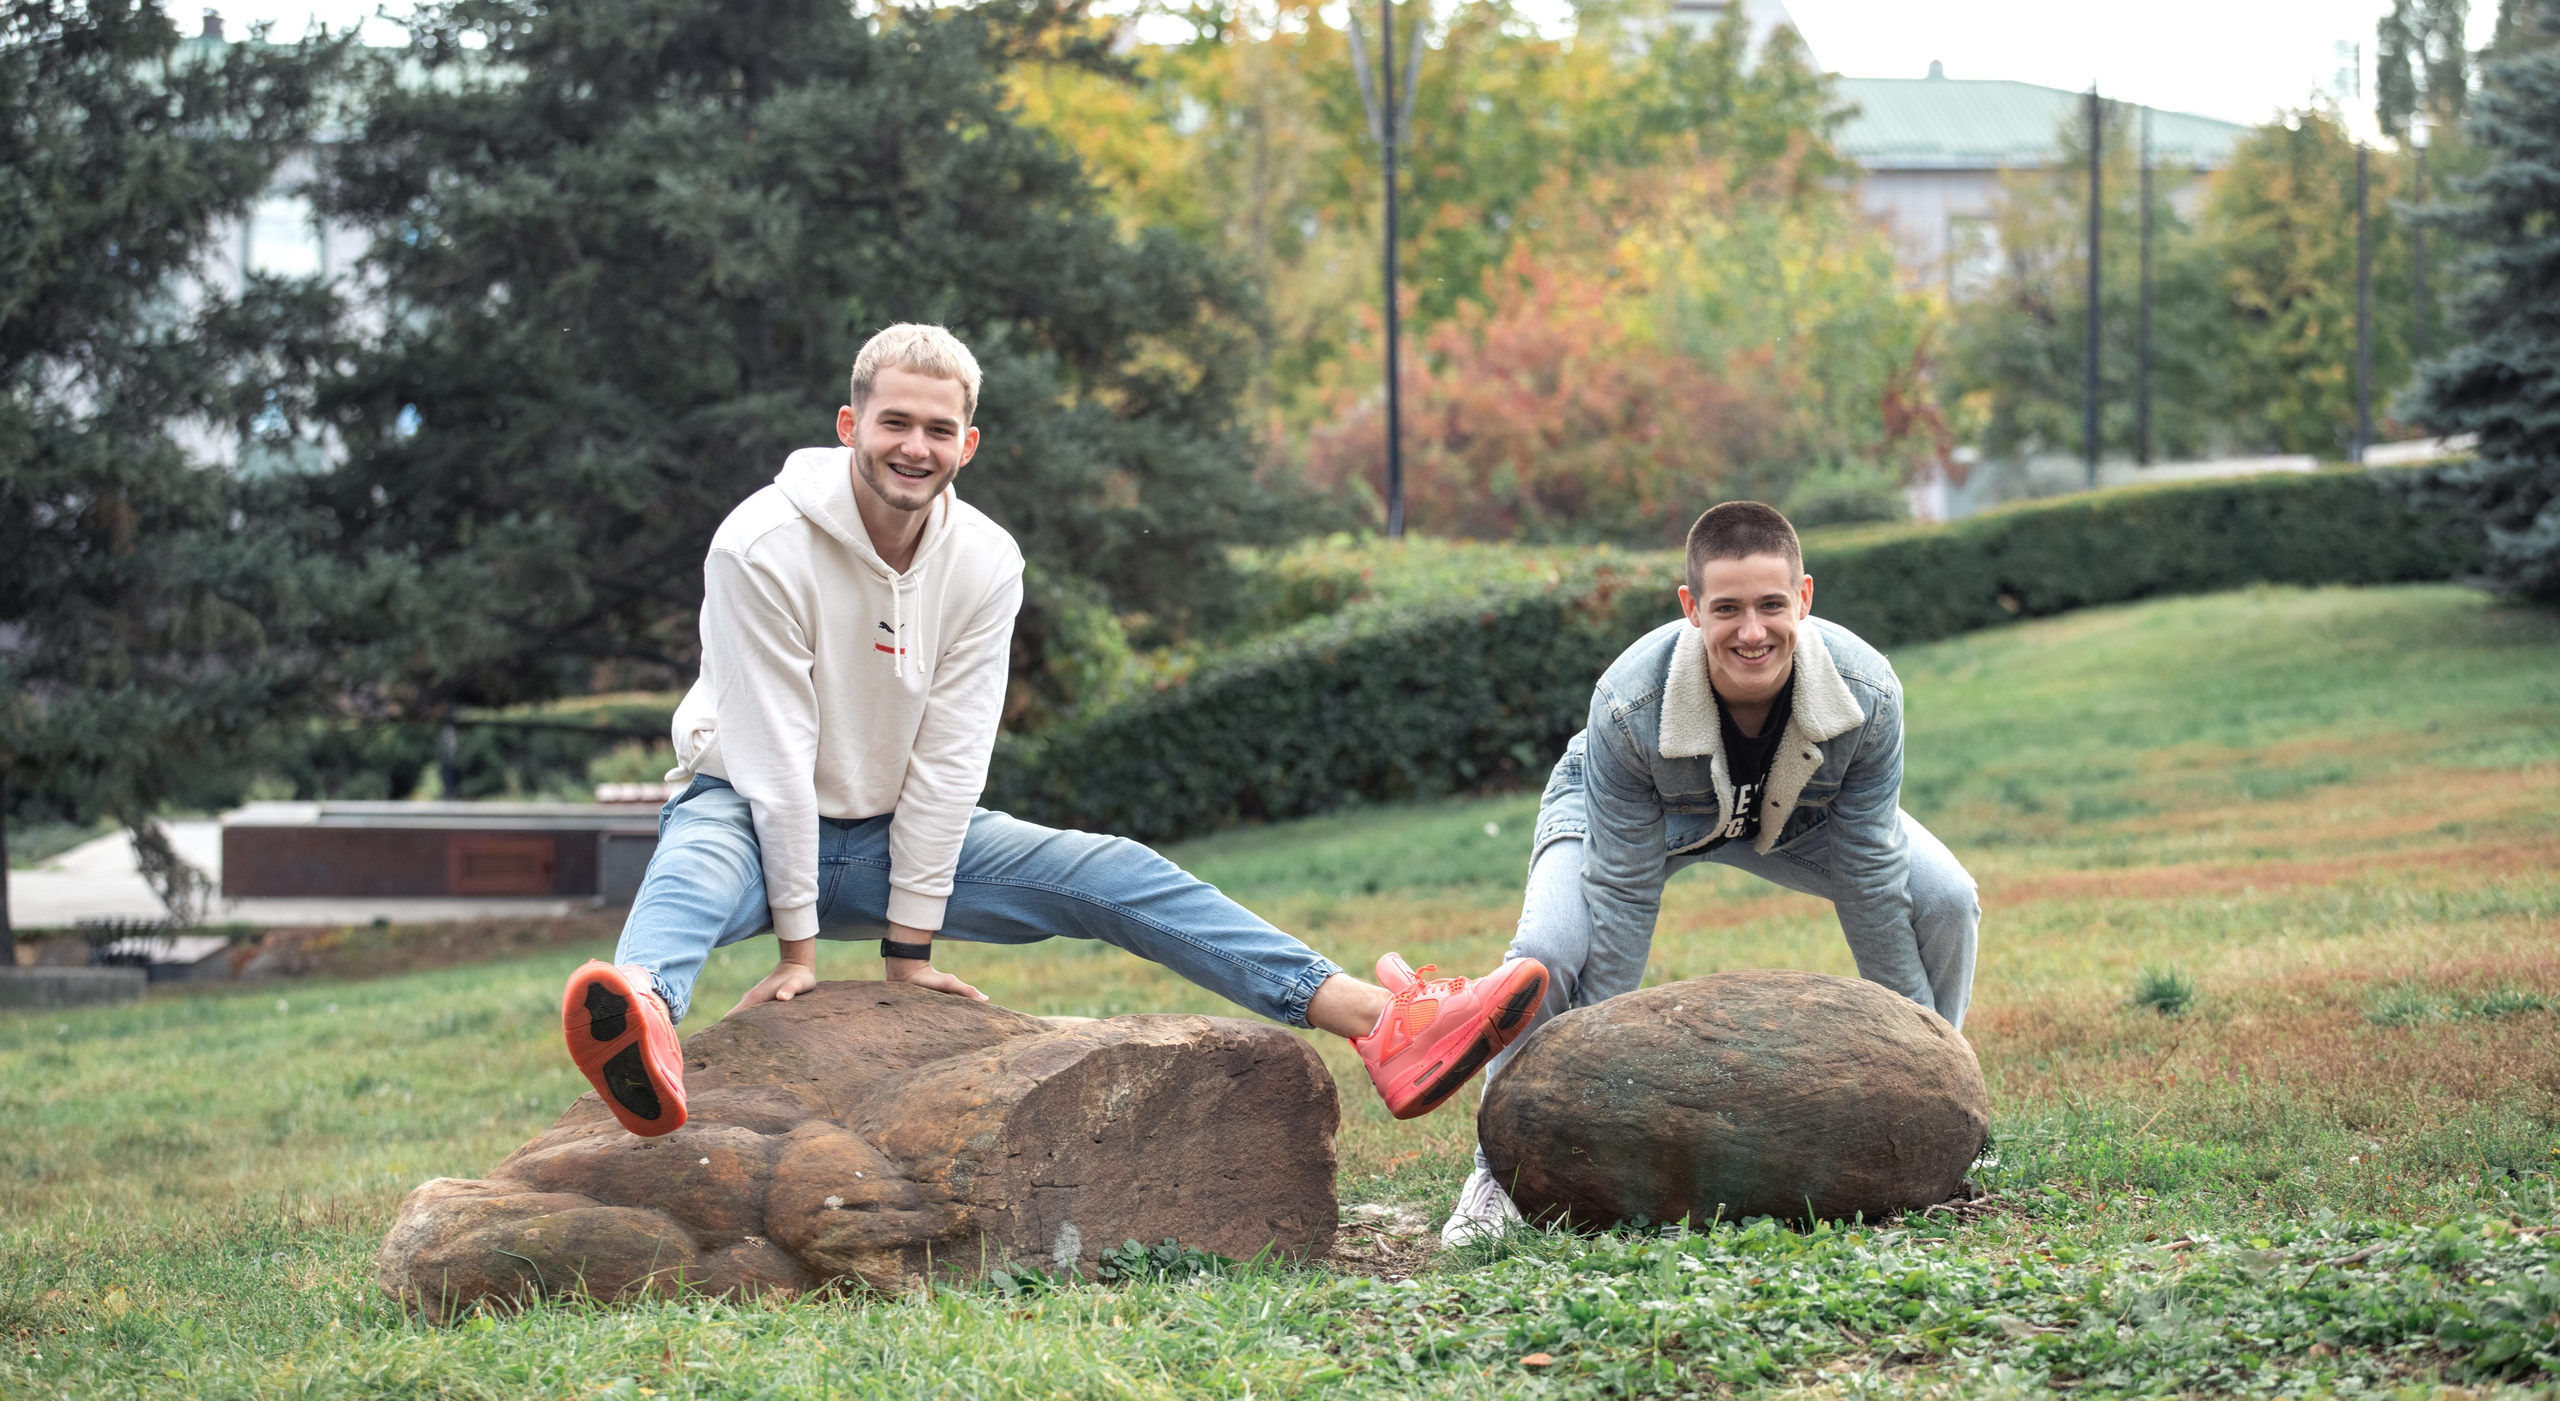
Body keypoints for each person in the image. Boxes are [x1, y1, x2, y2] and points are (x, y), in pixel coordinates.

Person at [561, 323, 1546, 1138]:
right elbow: (773, 757)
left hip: (893, 832)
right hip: (743, 811)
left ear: (969, 444)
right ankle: (640, 1016)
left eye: (938, 429)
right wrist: (800, 959)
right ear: (849, 424)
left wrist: (908, 951)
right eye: (893, 422)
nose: (915, 446)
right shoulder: (758, 544)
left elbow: (952, 760)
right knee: (686, 876)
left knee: (1116, 873)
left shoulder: (986, 561)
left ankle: (1385, 1027)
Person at [1439, 499, 1979, 1247]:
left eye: (1770, 605)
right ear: (1691, 607)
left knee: (1948, 898)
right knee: (1547, 953)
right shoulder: (1628, 705)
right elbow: (1621, 897)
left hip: (1799, 814)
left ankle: (1946, 1109)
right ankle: (1496, 1174)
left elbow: (1870, 876)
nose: (1751, 630)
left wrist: (1922, 1070)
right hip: (1637, 808)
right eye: (1727, 608)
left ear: (1805, 598)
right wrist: (1580, 1079)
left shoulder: (1868, 694)